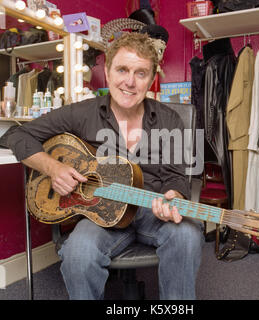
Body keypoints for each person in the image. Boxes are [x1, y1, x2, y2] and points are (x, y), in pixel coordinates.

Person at [8, 32, 204, 300]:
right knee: (79, 252)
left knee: (188, 236)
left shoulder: (169, 119)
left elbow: (176, 177)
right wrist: (53, 167)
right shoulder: (82, 112)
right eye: (122, 69)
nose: (130, 82)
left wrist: (175, 197)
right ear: (108, 73)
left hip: (153, 212)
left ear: (151, 79)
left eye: (141, 73)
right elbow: (16, 135)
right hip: (99, 214)